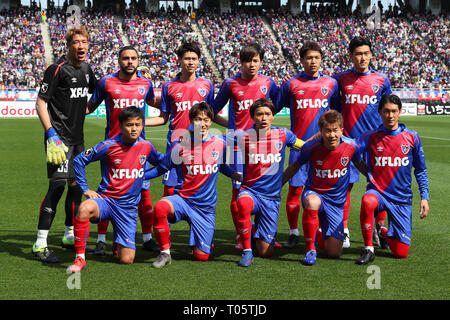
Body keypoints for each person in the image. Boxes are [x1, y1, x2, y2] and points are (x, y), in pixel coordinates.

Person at [67, 107, 164, 272]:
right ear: (121, 126)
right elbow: (79, 160)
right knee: (84, 208)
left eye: (137, 124)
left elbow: (163, 164)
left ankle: (117, 244)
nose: (133, 129)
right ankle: (80, 258)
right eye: (129, 125)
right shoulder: (109, 145)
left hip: (127, 209)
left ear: (142, 126)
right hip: (106, 201)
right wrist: (85, 188)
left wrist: (144, 176)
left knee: (127, 260)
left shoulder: (147, 147)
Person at [146, 102, 241, 268]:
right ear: (191, 120)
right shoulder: (181, 145)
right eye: (198, 119)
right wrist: (140, 176)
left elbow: (221, 165)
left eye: (206, 119)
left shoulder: (220, 143)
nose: (202, 124)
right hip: (184, 200)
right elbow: (162, 168)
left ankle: (196, 238)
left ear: (211, 121)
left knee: (201, 257)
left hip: (205, 207)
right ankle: (165, 252)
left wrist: (235, 175)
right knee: (161, 207)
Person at [32, 26, 97, 263]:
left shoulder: (88, 71)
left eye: (84, 42)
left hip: (78, 141)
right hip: (58, 140)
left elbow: (95, 95)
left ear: (89, 45)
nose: (81, 46)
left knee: (75, 188)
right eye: (76, 42)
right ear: (68, 46)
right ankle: (39, 244)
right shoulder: (56, 69)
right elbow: (40, 103)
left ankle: (69, 237)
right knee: (57, 188)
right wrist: (50, 133)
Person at [87, 46, 159, 255]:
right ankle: (101, 241)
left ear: (138, 61)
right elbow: (89, 107)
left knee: (144, 193)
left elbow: (154, 106)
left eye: (133, 58)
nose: (129, 61)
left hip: (139, 150)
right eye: (125, 58)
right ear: (119, 60)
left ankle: (147, 238)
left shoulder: (146, 84)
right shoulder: (106, 82)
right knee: (107, 192)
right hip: (112, 149)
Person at [212, 42, 280, 250]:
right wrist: (231, 127)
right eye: (247, 61)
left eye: (255, 60)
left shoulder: (268, 83)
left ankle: (262, 234)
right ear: (241, 62)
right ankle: (243, 237)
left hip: (263, 147)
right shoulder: (230, 84)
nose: (251, 65)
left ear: (261, 62)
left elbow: (276, 106)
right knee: (237, 192)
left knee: (263, 191)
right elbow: (213, 111)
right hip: (237, 148)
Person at [277, 40, 340, 249]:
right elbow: (275, 106)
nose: (313, 61)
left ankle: (324, 230)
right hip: (299, 147)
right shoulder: (291, 84)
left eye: (316, 57)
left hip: (324, 148)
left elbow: (338, 113)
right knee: (294, 190)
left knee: (324, 190)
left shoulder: (331, 84)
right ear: (301, 60)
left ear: (321, 59)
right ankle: (294, 233)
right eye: (308, 58)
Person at [355, 94, 429, 265]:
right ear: (380, 112)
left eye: (394, 111)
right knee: (367, 200)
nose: (390, 115)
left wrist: (424, 197)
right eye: (386, 111)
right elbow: (352, 152)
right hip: (378, 192)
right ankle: (368, 249)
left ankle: (383, 232)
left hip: (402, 199)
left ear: (400, 112)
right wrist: (367, 173)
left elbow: (421, 170)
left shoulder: (412, 138)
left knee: (400, 253)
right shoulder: (370, 137)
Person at [282, 110, 364, 265]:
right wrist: (278, 184)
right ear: (321, 131)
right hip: (315, 193)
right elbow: (295, 166)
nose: (332, 135)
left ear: (341, 130)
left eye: (335, 130)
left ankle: (319, 234)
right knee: (312, 202)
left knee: (334, 253)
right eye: (327, 130)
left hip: (336, 202)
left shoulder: (352, 147)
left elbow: (361, 165)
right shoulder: (310, 148)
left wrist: (376, 181)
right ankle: (310, 249)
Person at [333, 37, 392, 248]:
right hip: (348, 142)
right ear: (350, 55)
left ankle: (379, 228)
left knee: (380, 187)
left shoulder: (382, 80)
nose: (362, 57)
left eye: (366, 53)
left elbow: (388, 109)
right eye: (358, 53)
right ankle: (345, 230)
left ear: (371, 55)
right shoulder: (340, 79)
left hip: (376, 144)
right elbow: (333, 109)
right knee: (345, 188)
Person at [234, 99, 305, 267]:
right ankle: (246, 251)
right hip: (250, 191)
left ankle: (254, 233)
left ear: (273, 116)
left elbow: (305, 147)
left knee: (266, 252)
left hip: (271, 198)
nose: (263, 118)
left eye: (267, 114)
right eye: (259, 114)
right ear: (253, 117)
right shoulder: (243, 137)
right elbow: (215, 143)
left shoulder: (284, 135)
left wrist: (327, 140)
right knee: (243, 204)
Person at [145, 41, 216, 197]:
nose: (190, 62)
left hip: (199, 145)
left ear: (199, 61)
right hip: (176, 144)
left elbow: (211, 116)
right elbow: (163, 118)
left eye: (194, 58)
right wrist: (139, 124)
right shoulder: (168, 86)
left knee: (199, 190)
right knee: (169, 190)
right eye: (187, 58)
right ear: (179, 60)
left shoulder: (207, 85)